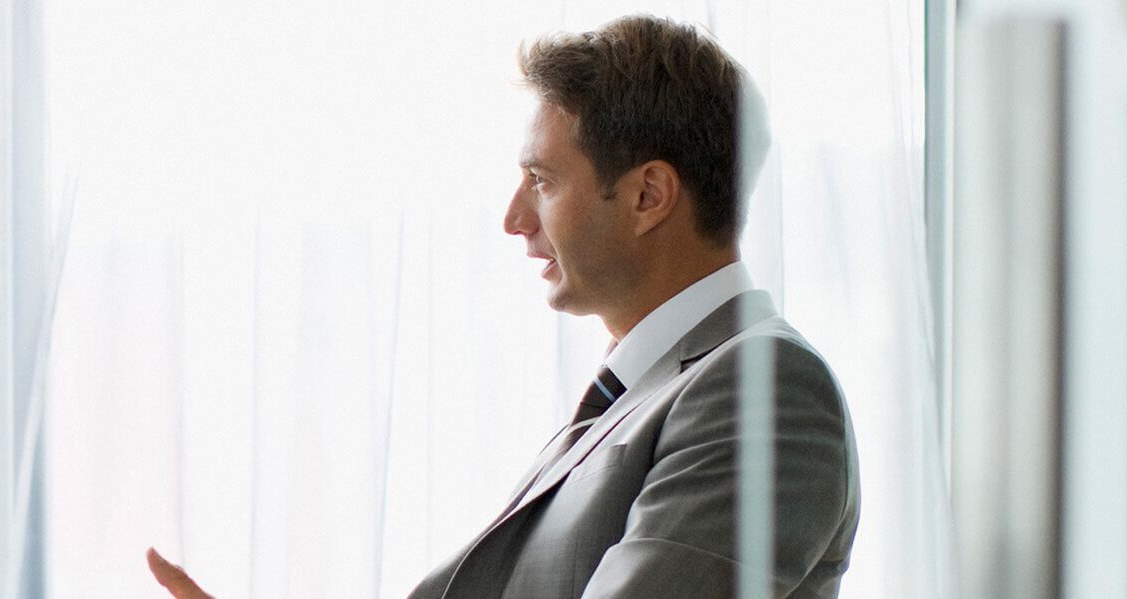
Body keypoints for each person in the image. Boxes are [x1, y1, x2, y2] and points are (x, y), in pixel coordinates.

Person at [148, 14, 858, 598]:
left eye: (541, 180)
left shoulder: (765, 388)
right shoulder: (645, 391)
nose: (514, 219)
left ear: (649, 195)